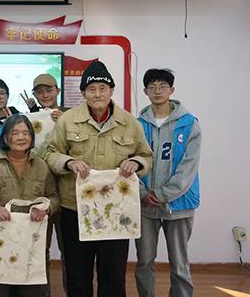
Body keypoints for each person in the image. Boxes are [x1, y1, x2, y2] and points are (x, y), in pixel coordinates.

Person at [45, 60, 153, 297]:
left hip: (116, 211)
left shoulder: (129, 123)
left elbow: (146, 156)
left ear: (111, 90)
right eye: (91, 89)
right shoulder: (67, 120)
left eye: (102, 88)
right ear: (83, 92)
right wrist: (69, 162)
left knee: (113, 276)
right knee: (77, 275)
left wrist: (135, 163)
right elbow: (50, 153)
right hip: (75, 209)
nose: (97, 94)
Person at [135, 69, 201, 297]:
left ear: (172, 90)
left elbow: (188, 167)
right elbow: (130, 162)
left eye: (163, 86)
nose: (157, 91)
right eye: (152, 87)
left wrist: (162, 194)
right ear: (145, 91)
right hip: (145, 205)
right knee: (144, 262)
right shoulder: (137, 125)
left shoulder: (189, 124)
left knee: (179, 265)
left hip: (179, 205)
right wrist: (143, 193)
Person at [0, 114, 60, 297]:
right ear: (5, 137)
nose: (21, 137)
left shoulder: (42, 166)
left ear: (32, 137)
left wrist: (46, 208)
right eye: (15, 133)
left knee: (33, 292)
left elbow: (54, 198)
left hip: (33, 244)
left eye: (26, 133)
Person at [21, 72, 68, 292]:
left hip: (67, 194)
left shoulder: (70, 116)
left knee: (69, 251)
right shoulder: (31, 119)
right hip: (39, 191)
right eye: (40, 92)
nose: (45, 95)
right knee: (39, 248)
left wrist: (64, 121)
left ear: (57, 90)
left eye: (49, 90)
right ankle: (42, 293)